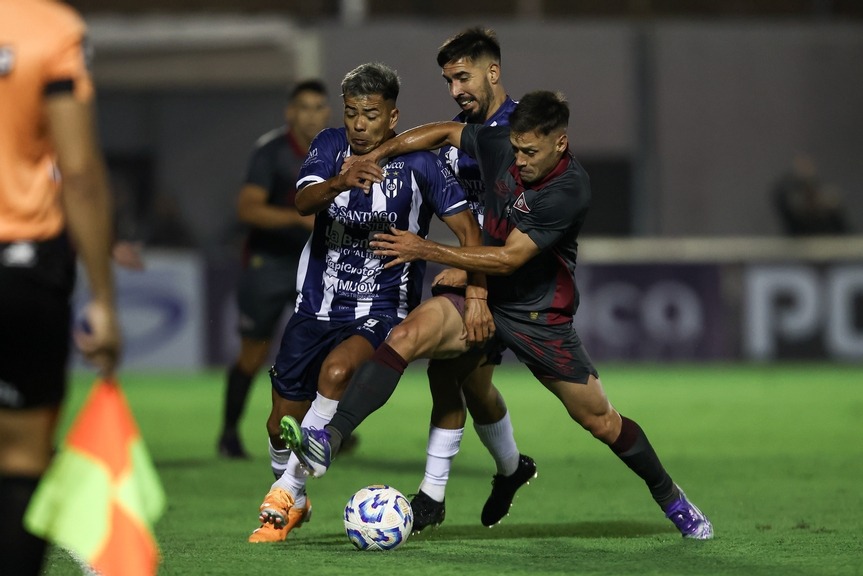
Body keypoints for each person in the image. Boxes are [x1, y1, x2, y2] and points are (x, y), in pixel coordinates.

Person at [284, 91, 714, 540]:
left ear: (560, 144)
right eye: (518, 148)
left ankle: (672, 499)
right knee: (408, 338)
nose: (520, 160)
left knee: (600, 420)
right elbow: (446, 132)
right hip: (485, 295)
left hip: (538, 314)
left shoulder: (569, 188)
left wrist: (425, 249)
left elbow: (509, 259)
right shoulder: (502, 144)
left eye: (531, 152)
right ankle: (330, 440)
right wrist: (384, 149)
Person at [247, 62, 487, 543]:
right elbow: (302, 204)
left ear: (392, 117)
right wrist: (340, 181)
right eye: (352, 113)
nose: (359, 124)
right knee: (279, 425)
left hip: (380, 307)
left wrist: (474, 288)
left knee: (336, 374)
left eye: (370, 115)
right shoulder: (330, 146)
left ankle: (285, 492)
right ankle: (292, 491)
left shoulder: (422, 164)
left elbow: (470, 233)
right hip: (315, 306)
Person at [0, 2, 122, 575]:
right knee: (22, 458)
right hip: (21, 268)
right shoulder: (49, 28)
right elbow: (78, 172)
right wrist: (103, 299)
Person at [217, 80, 331, 459]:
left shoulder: (337, 150)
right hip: (270, 264)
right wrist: (298, 219)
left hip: (316, 264)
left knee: (324, 349)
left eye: (318, 107)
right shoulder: (272, 152)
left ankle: (320, 431)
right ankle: (229, 433)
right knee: (253, 353)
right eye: (304, 107)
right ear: (290, 113)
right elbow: (247, 208)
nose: (312, 114)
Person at [773, 153, 850, 236]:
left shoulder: (829, 202)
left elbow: (842, 227)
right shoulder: (794, 204)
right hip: (801, 242)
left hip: (830, 241)